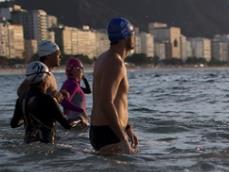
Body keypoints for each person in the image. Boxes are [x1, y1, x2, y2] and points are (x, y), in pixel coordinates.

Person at [89, 17, 139, 154]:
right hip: (108, 133)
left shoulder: (104, 58)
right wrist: (122, 138)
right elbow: (106, 102)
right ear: (125, 36)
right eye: (133, 34)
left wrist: (127, 128)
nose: (134, 38)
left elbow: (115, 99)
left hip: (103, 130)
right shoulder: (115, 63)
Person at [10, 61, 78, 144]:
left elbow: (14, 124)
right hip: (47, 146)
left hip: (27, 143)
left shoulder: (21, 100)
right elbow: (67, 125)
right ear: (44, 78)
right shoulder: (48, 100)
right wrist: (79, 120)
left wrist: (27, 116)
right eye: (48, 77)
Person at [60, 58, 91, 125]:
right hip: (77, 120)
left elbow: (88, 91)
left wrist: (83, 78)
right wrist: (81, 111)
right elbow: (63, 102)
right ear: (75, 70)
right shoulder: (73, 84)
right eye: (81, 69)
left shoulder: (69, 83)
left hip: (73, 119)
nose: (82, 72)